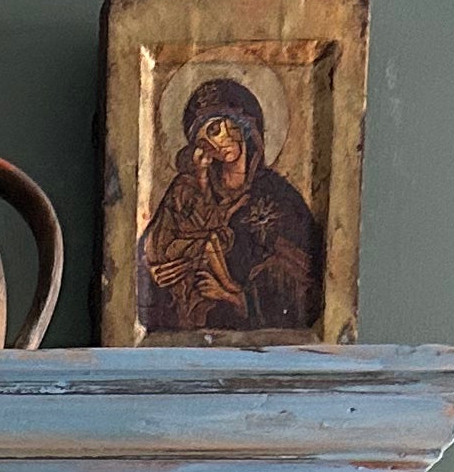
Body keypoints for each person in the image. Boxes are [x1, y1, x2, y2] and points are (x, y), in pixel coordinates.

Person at [136, 73, 319, 334]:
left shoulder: (278, 196)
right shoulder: (188, 189)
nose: (213, 145)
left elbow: (302, 282)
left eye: (215, 130)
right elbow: (150, 253)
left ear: (243, 123)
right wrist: (152, 277)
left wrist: (234, 296)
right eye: (202, 142)